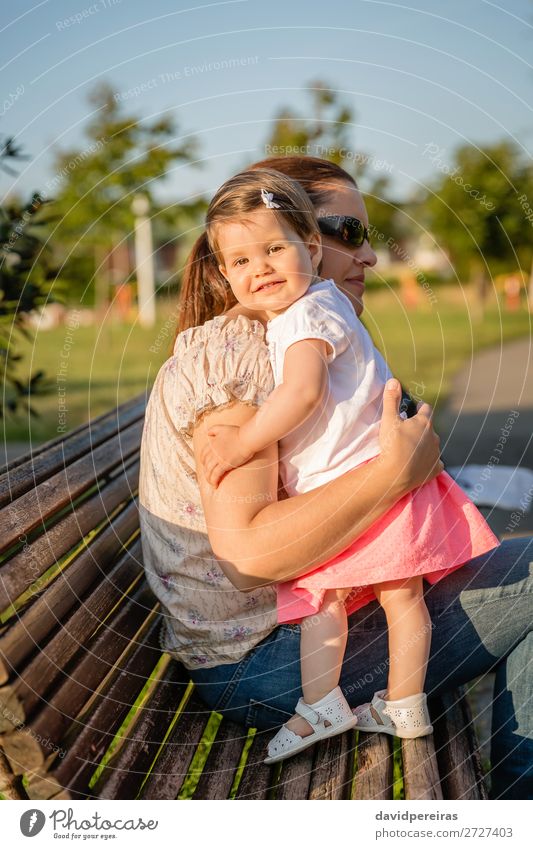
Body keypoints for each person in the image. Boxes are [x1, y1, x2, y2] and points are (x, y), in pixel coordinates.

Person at [139, 155, 532, 798]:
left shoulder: (299, 337)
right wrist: (393, 473)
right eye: (348, 231)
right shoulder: (237, 356)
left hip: (305, 629)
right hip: (263, 662)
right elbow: (248, 555)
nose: (368, 254)